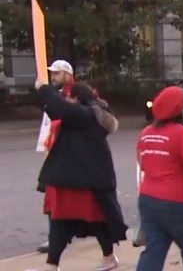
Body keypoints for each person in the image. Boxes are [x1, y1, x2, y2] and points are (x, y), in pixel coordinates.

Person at [29, 81, 125, 271]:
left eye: (68, 97)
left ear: (77, 98)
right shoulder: (86, 114)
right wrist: (42, 95)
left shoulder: (86, 115)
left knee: (97, 223)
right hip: (77, 180)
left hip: (87, 182)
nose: (65, 100)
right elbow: (55, 109)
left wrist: (44, 89)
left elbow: (63, 109)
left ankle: (109, 258)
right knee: (61, 222)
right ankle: (52, 265)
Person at [136, 86, 183, 271]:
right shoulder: (182, 135)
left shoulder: (145, 133)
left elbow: (143, 164)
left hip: (148, 201)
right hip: (180, 205)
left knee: (153, 252)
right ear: (181, 109)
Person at [36, 60, 76, 254]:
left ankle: (106, 240)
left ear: (68, 75)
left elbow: (62, 115)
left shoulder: (74, 95)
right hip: (56, 152)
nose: (53, 77)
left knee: (91, 200)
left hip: (70, 154)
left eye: (57, 74)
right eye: (52, 74)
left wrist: (45, 92)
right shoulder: (55, 96)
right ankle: (55, 238)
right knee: (53, 197)